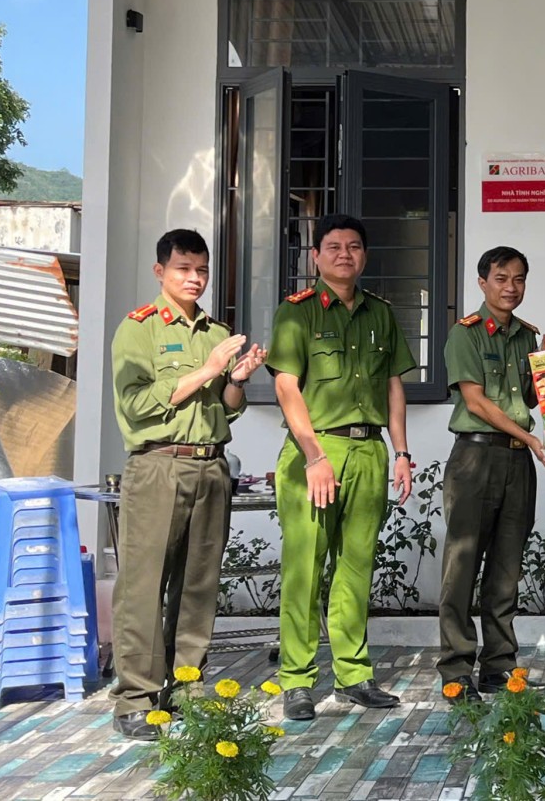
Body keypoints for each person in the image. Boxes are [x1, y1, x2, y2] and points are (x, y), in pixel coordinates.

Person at [108, 229, 265, 739]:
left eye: (201, 269)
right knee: (144, 585)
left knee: (198, 585)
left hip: (211, 465)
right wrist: (209, 368)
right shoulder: (139, 329)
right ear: (161, 271)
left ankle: (185, 689)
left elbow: (226, 408)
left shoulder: (216, 331)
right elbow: (135, 404)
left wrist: (236, 377)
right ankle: (136, 698)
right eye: (183, 269)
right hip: (159, 465)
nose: (194, 278)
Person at [266, 213, 417, 721]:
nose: (344, 254)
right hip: (315, 452)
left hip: (368, 451)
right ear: (315, 256)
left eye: (354, 246)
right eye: (333, 246)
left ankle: (353, 675)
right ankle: (297, 681)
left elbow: (393, 386)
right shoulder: (297, 313)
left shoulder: (381, 313)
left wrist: (401, 452)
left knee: (355, 568)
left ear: (365, 256)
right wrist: (314, 455)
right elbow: (286, 385)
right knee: (305, 569)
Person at [437, 246, 545, 699]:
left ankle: (499, 666)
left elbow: (534, 398)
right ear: (482, 282)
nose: (511, 287)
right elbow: (477, 401)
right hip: (476, 458)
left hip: (516, 461)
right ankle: (455, 669)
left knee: (507, 568)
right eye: (501, 278)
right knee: (462, 567)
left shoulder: (527, 337)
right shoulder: (464, 334)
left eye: (519, 279)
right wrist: (531, 438)